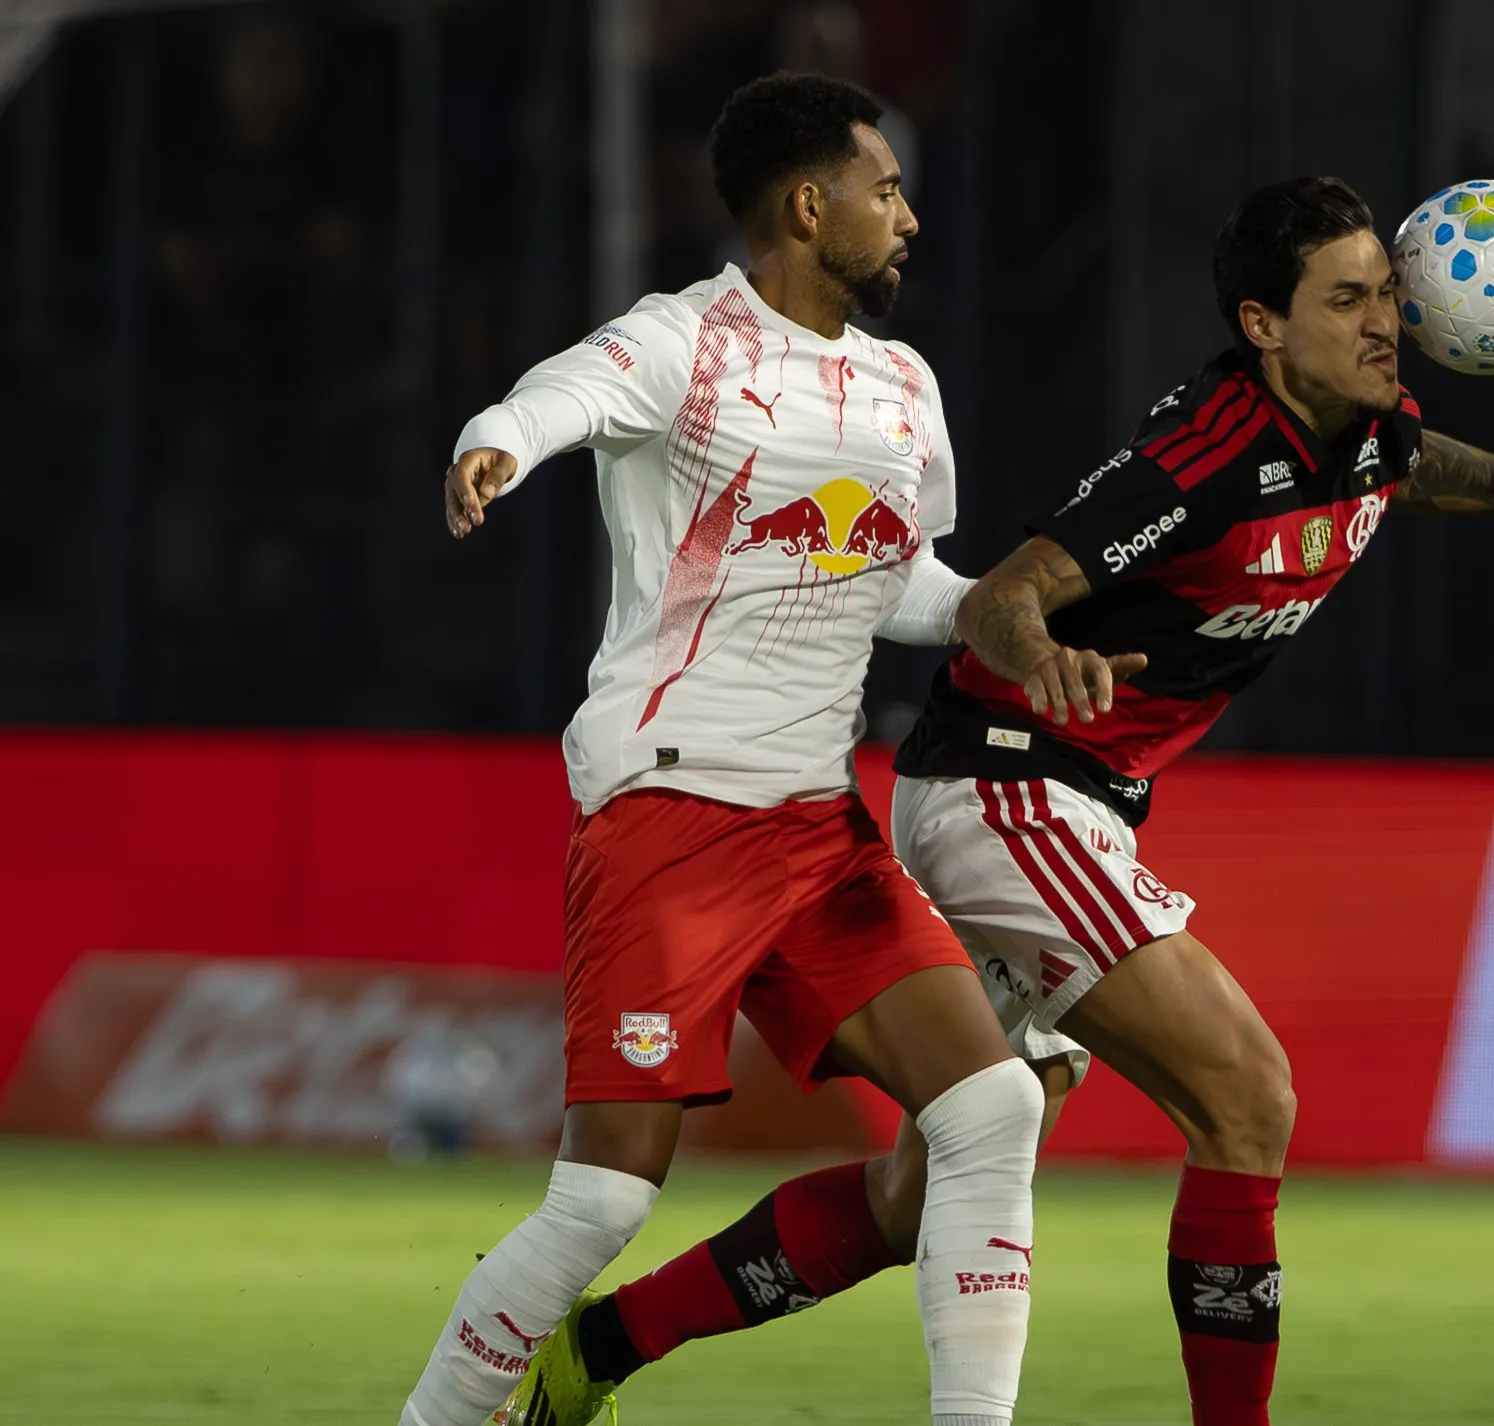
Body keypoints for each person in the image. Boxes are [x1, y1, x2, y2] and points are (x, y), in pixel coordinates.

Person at [504, 175, 1494, 1426]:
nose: (1385, 323)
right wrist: (1042, 652)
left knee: (920, 1197)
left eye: (1389, 294)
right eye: (1347, 300)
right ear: (1262, 327)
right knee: (1249, 1094)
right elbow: (1005, 591)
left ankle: (599, 1348)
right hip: (1010, 779)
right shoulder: (1204, 459)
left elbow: (1410, 463)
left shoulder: (1364, 419)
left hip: (1074, 796)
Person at [400, 74, 1046, 1426]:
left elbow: (898, 586)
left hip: (819, 834)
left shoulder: (901, 385)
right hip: (671, 816)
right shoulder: (685, 344)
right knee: (599, 1200)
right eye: (884, 191)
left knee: (990, 1107)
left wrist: (1001, 608)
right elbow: (555, 398)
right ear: (810, 208)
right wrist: (494, 447)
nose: (908, 218)